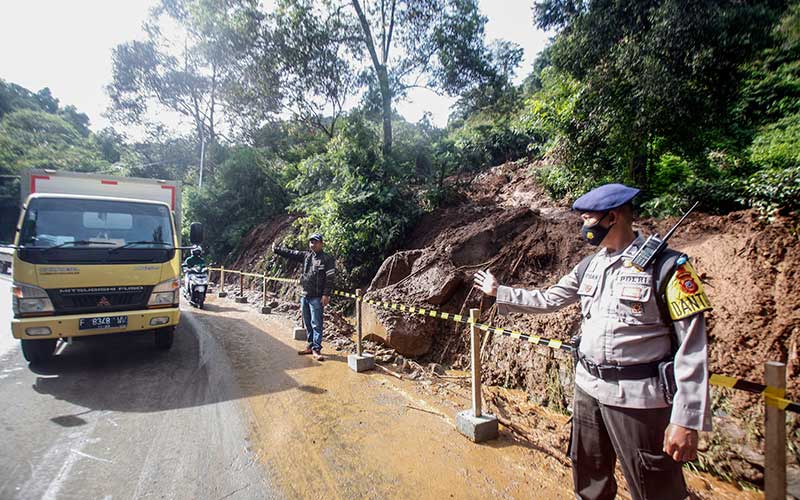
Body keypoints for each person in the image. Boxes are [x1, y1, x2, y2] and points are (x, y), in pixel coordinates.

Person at [473, 183, 712, 500]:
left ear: (611, 218)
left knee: (655, 487)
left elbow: (693, 349)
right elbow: (548, 299)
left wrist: (685, 419)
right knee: (589, 477)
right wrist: (499, 292)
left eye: (587, 219)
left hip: (638, 401)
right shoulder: (590, 266)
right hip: (588, 390)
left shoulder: (669, 268)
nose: (584, 227)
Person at [273, 233, 335, 361]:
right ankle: (310, 345)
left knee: (316, 324)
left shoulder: (327, 258)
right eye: (311, 242)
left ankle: (317, 349)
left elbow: (330, 279)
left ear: (321, 243)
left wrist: (326, 294)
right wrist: (276, 249)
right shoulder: (306, 256)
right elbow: (291, 253)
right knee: (307, 323)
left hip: (317, 297)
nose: (313, 244)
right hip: (305, 295)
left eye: (316, 242)